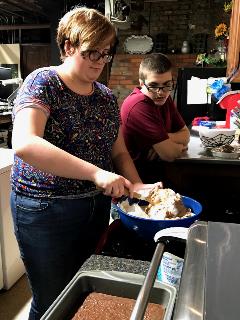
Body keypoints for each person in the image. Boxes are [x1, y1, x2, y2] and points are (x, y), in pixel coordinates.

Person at [10, 7, 161, 320]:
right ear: (68, 46)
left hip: (92, 210)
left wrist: (135, 186)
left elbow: (118, 152)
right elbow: (25, 143)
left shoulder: (105, 96)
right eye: (92, 51)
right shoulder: (44, 83)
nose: (99, 61)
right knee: (52, 299)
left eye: (105, 53)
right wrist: (96, 173)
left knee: (81, 292)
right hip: (44, 210)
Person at [121, 53, 190, 183]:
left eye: (167, 84)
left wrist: (160, 140)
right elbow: (169, 154)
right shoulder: (138, 105)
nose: (161, 92)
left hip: (157, 173)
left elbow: (186, 135)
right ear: (141, 83)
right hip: (136, 181)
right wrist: (177, 146)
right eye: (153, 85)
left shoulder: (165, 97)